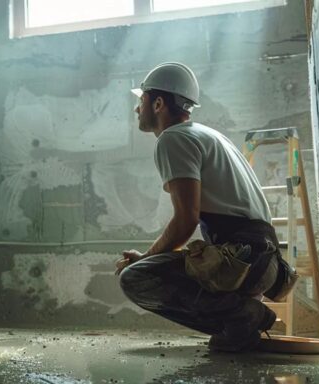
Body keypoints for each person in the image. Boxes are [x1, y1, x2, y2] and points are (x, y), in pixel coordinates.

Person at [116, 62, 292, 352]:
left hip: (243, 262)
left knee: (135, 277)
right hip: (262, 262)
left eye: (141, 100)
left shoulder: (173, 139)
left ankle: (242, 317)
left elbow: (186, 221)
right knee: (152, 270)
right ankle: (239, 322)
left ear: (158, 103)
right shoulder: (207, 134)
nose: (137, 108)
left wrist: (144, 259)